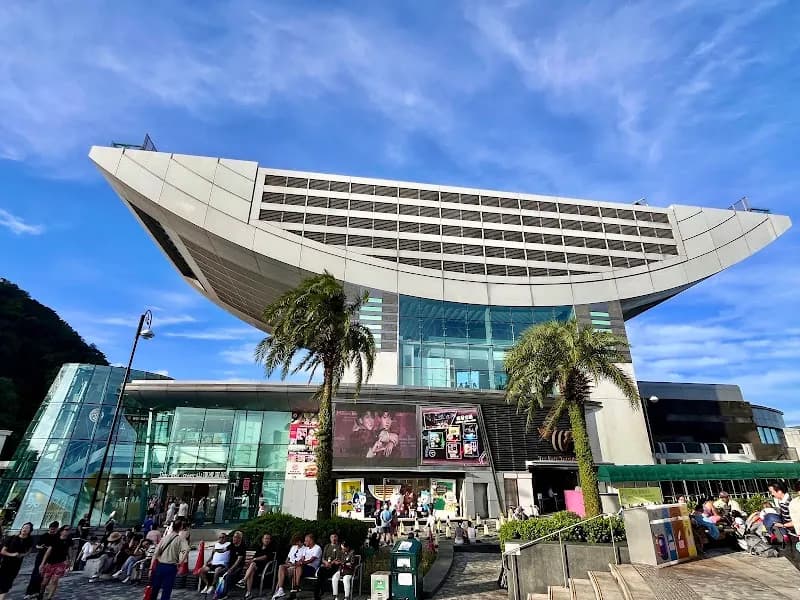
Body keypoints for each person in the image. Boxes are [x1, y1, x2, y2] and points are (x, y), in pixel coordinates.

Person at [150, 518, 190, 600]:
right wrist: (181, 562)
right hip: (171, 566)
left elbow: (155, 553)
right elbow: (186, 550)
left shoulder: (164, 538)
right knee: (166, 590)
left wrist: (151, 568)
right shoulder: (181, 539)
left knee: (155, 588)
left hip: (160, 566)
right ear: (180, 527)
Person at [25, 520, 59, 597]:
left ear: (57, 529)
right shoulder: (44, 536)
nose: (52, 531)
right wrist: (41, 547)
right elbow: (37, 545)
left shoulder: (57, 537)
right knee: (36, 573)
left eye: (54, 529)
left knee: (46, 575)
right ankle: (31, 591)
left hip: (51, 558)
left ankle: (41, 591)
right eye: (51, 529)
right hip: (41, 556)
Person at [0, 521, 33, 600]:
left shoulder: (29, 540)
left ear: (30, 531)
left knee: (7, 584)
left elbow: (29, 551)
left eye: (27, 528)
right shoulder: (12, 538)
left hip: (15, 566)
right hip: (5, 564)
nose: (24, 529)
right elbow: (2, 551)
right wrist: (12, 554)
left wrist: (23, 555)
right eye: (24, 527)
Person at [39, 526, 72, 600]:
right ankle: (41, 594)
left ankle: (49, 597)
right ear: (61, 531)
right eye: (66, 530)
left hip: (61, 563)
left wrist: (70, 561)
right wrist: (42, 564)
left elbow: (70, 551)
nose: (68, 531)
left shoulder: (69, 540)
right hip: (50, 563)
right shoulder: (55, 539)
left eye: (69, 530)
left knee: (54, 580)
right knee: (44, 582)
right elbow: (48, 552)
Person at [239, 533, 275, 599]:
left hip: (264, 567)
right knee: (251, 571)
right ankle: (248, 593)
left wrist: (254, 559)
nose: (267, 540)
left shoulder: (271, 548)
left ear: (270, 540)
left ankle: (244, 580)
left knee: (252, 566)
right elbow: (254, 558)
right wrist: (252, 561)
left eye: (268, 539)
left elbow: (265, 557)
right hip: (255, 567)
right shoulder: (259, 547)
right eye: (265, 538)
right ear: (262, 539)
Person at [272, 533, 303, 599]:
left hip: (296, 567)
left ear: (299, 541)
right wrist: (287, 563)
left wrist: (292, 564)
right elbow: (288, 558)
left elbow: (301, 561)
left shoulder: (305, 549)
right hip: (289, 565)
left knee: (285, 571)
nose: (295, 544)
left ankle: (278, 590)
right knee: (281, 567)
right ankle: (280, 589)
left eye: (296, 542)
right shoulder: (293, 547)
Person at [315, 533, 343, 600]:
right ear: (330, 539)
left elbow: (338, 558)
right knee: (321, 573)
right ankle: (318, 592)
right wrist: (326, 562)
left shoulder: (339, 546)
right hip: (326, 565)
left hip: (334, 566)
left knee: (321, 574)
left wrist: (331, 563)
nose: (334, 538)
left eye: (335, 537)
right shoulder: (327, 546)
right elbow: (323, 558)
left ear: (337, 538)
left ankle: (318, 592)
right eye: (332, 537)